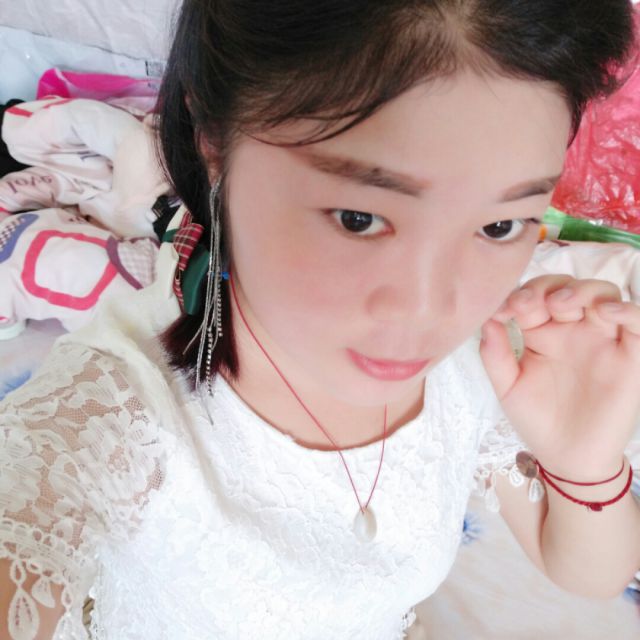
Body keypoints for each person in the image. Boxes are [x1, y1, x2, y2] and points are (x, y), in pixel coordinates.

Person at [1, 1, 639, 638]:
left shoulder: (477, 359)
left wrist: (582, 461)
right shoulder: (109, 421)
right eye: (359, 219)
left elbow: (584, 571)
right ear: (213, 142)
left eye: (499, 226)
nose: (431, 311)